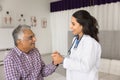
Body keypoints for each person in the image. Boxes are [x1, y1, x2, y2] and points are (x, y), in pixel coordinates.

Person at [52, 10, 101, 80]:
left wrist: (63, 60)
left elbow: (86, 66)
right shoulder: (75, 40)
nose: (70, 26)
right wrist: (61, 58)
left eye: (73, 24)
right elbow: (75, 59)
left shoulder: (90, 43)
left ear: (82, 25)